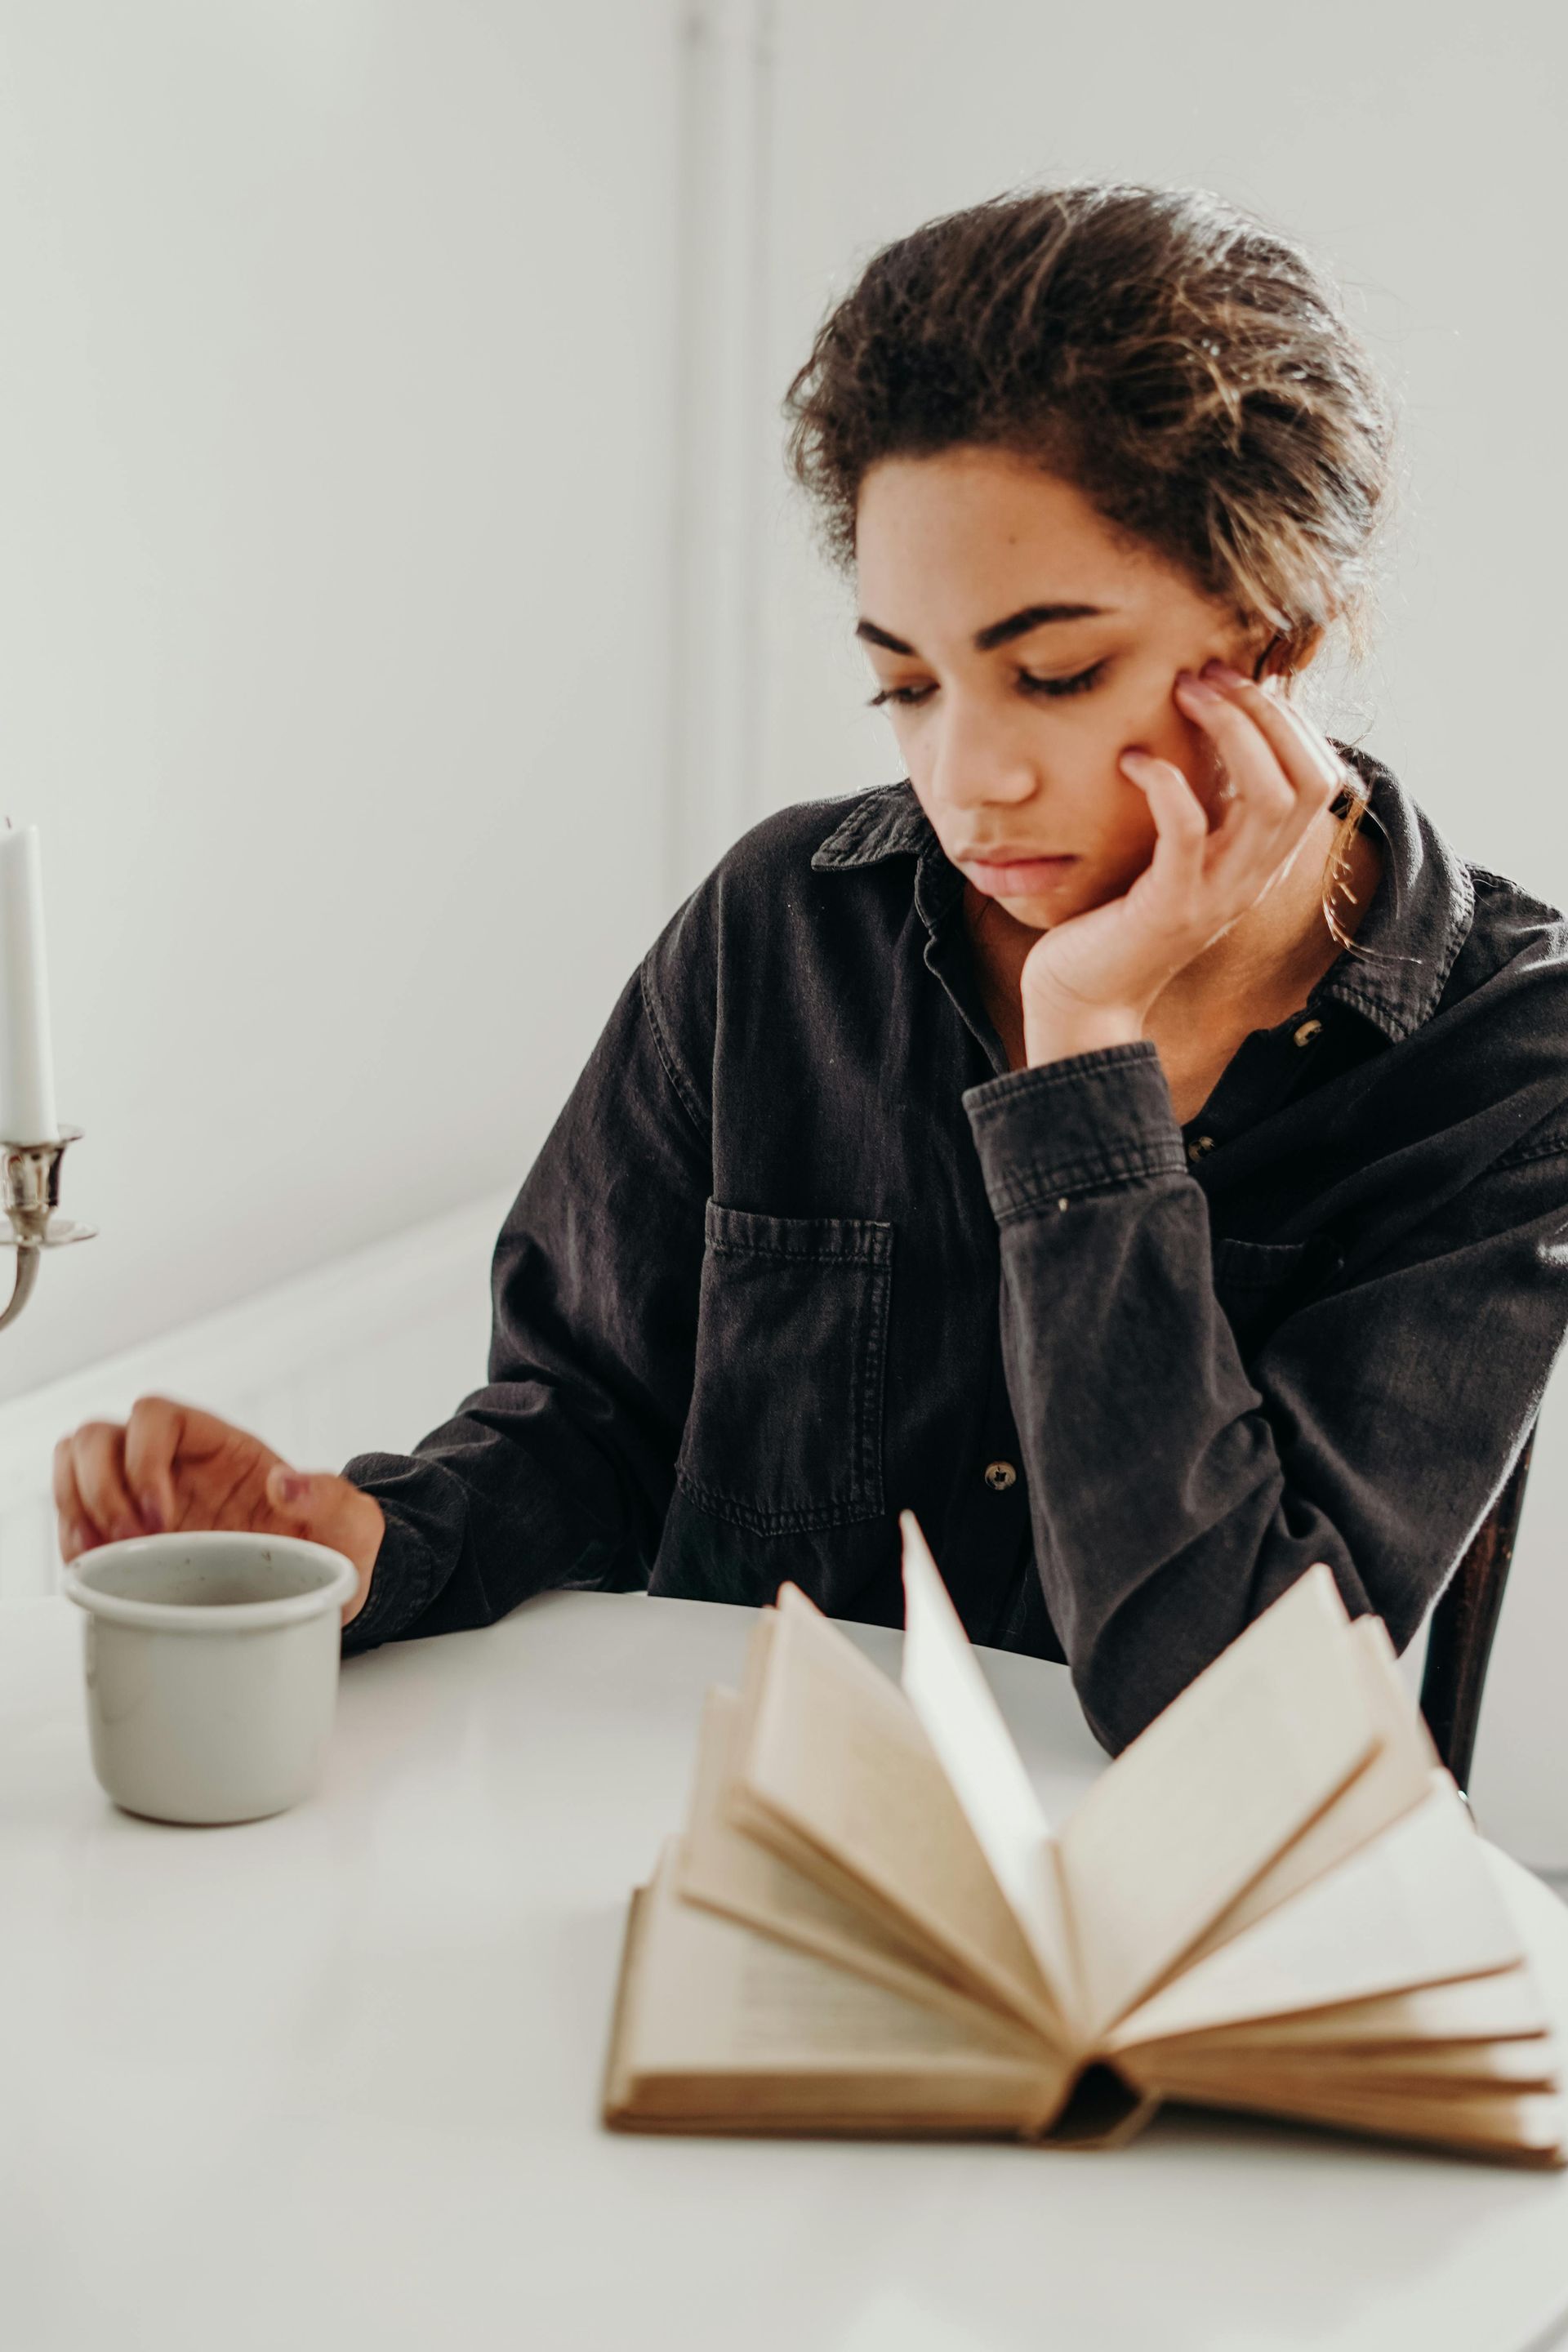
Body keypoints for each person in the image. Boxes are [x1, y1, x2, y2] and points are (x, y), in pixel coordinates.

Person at [52, 184, 1568, 1754]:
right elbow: (589, 1422)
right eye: (905, 686)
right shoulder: (783, 924)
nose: (967, 778)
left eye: (1052, 674)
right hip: (751, 1866)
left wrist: (1082, 1059)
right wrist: (368, 1540)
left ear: (1278, 635)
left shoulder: (1505, 1057)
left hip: (1187, 1937)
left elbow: (1231, 1710)